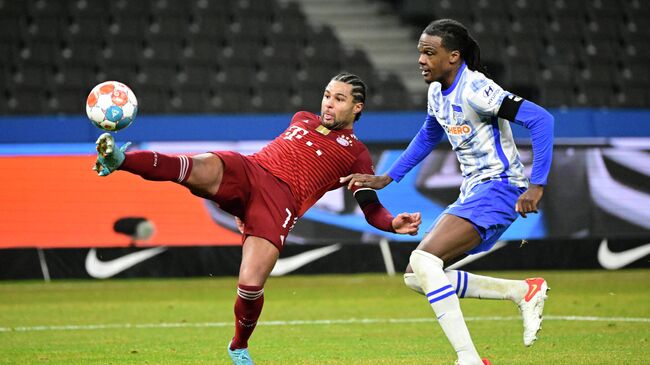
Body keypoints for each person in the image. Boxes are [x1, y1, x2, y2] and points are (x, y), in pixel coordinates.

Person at [92, 72, 422, 365]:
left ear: (357, 108)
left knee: (250, 285)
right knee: (189, 166)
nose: (328, 104)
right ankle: (119, 159)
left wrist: (392, 224)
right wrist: (240, 206)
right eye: (326, 96)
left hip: (279, 205)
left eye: (339, 99)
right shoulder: (302, 119)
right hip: (249, 170)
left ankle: (239, 345)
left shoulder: (357, 155)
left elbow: (370, 206)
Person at [340, 19, 554, 365]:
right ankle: (521, 291)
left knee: (425, 261)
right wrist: (387, 178)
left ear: (453, 56)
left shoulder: (476, 89)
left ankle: (468, 358)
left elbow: (542, 120)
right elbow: (428, 134)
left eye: (429, 53)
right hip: (474, 191)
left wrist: (537, 183)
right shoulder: (437, 91)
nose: (421, 60)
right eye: (419, 52)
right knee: (416, 275)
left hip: (499, 187)